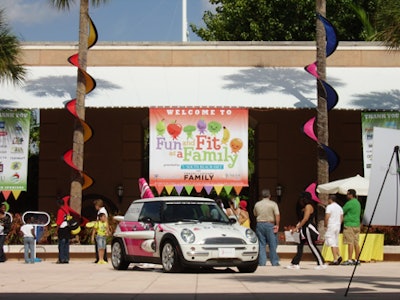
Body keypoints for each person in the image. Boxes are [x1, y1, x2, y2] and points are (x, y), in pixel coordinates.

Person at [286, 192, 326, 270]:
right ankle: (295, 263)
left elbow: (305, 219)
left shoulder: (308, 206)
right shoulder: (305, 207)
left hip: (308, 228)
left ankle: (321, 263)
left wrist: (297, 227)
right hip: (303, 228)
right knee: (300, 245)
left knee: (311, 245)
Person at [253, 189, 280, 266]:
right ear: (269, 196)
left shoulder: (257, 204)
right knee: (273, 243)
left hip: (260, 224)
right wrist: (277, 225)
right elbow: (277, 215)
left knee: (261, 244)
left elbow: (255, 213)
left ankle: (262, 262)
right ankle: (274, 261)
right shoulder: (273, 204)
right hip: (270, 224)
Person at [341, 189, 362, 266]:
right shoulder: (357, 203)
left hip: (349, 224)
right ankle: (357, 259)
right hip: (357, 224)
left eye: (347, 194)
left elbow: (342, 211)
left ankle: (350, 259)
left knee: (350, 242)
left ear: (351, 195)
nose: (347, 196)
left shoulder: (349, 203)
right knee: (356, 242)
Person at [324, 194, 343, 265]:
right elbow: (341, 218)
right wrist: (338, 224)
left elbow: (327, 216)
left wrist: (325, 225)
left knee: (331, 242)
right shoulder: (339, 207)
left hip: (331, 225)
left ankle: (335, 259)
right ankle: (339, 255)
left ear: (330, 199)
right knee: (335, 241)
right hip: (337, 225)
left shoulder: (329, 207)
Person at [56, 197, 72, 264]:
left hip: (62, 228)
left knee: (61, 244)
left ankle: (61, 258)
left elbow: (59, 221)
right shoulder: (67, 211)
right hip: (67, 228)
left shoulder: (60, 211)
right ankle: (66, 258)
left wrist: (57, 229)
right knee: (66, 243)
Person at [93, 199, 108, 263]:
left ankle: (101, 258)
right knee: (101, 246)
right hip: (100, 231)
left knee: (100, 246)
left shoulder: (102, 211)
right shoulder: (101, 211)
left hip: (101, 232)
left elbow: (104, 220)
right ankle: (101, 258)